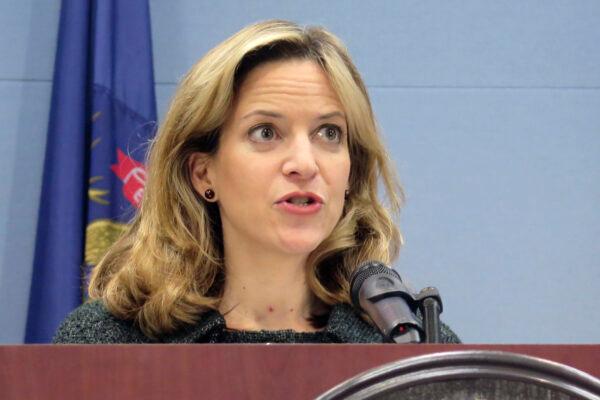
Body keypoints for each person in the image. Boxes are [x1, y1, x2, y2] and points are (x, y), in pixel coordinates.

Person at [54, 20, 460, 344]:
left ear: (351, 171)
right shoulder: (107, 343)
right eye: (265, 132)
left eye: (329, 133)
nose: (304, 163)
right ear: (202, 173)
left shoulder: (411, 343)